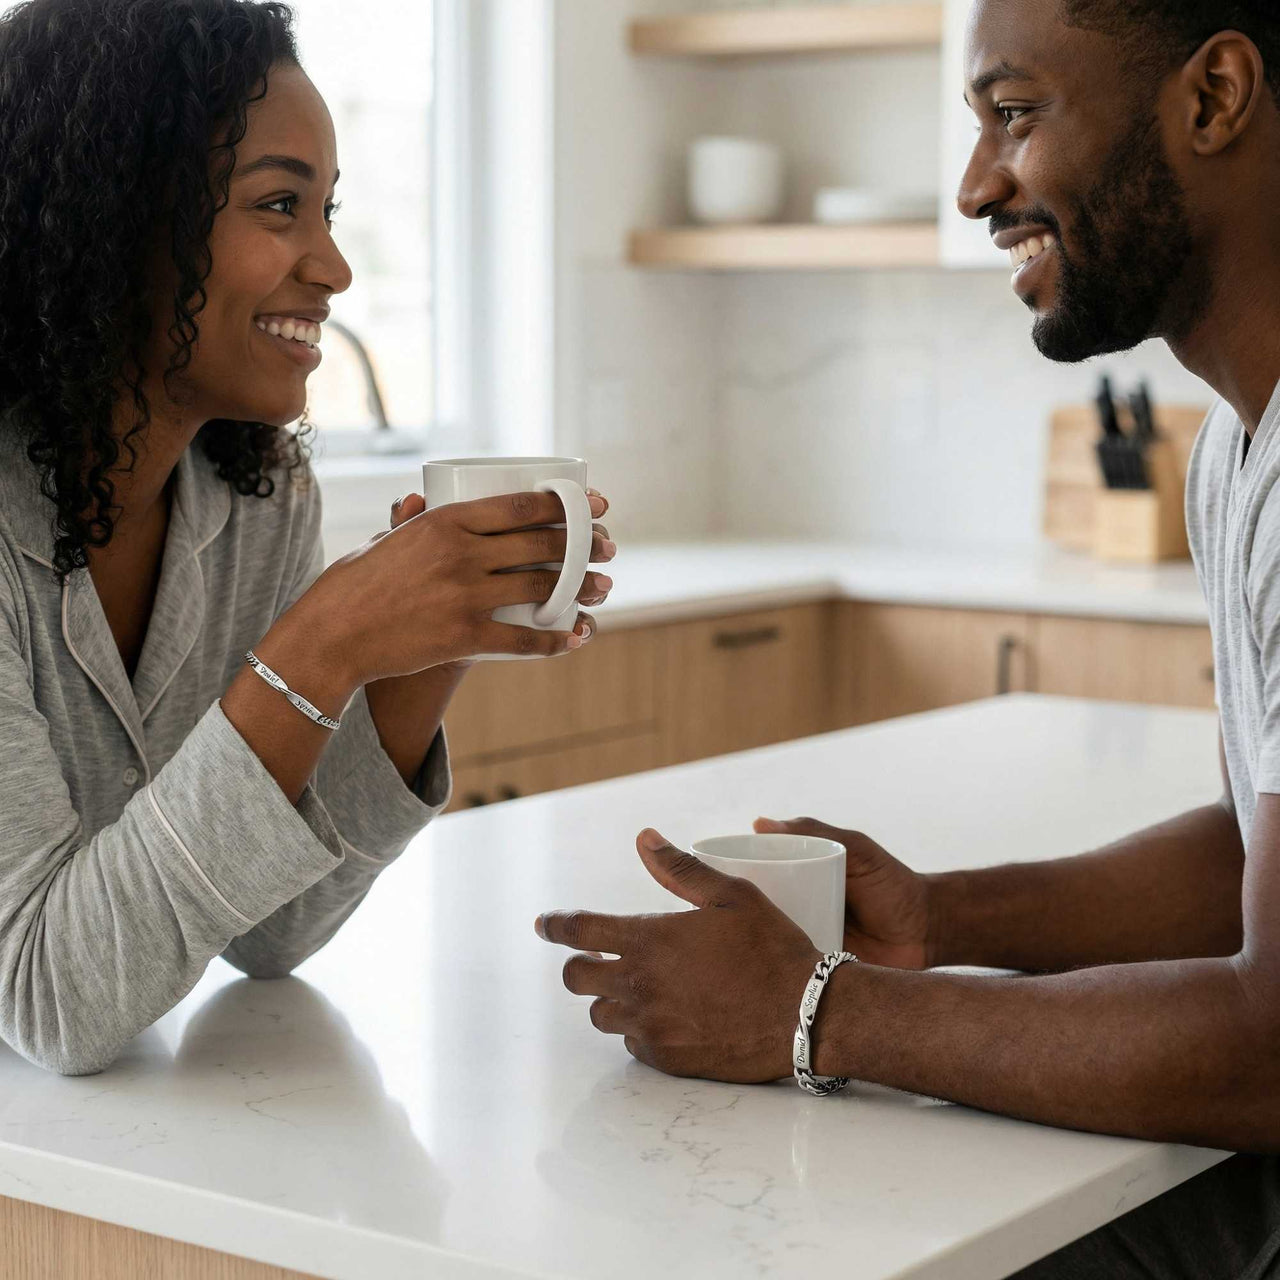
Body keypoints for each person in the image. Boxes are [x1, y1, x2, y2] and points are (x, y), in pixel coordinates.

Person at [536, 1, 1280, 1274]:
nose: (975, 185)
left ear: (1211, 98)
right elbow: (1240, 856)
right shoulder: (1232, 456)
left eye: (1013, 113)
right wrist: (934, 915)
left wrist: (819, 1011)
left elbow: (1270, 1043)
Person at [0, 0, 614, 1077]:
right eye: (280, 205)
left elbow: (268, 933)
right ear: (112, 215)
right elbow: (54, 993)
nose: (331, 265)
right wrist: (322, 646)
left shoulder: (254, 496)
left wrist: (412, 662)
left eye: (328, 210)